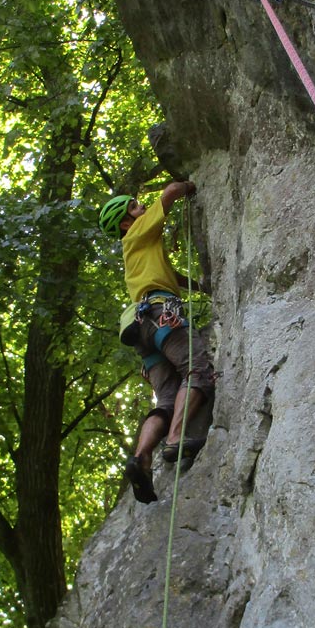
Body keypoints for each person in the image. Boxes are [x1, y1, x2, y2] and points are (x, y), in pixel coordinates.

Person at [98, 181, 215, 503]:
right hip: (162, 315)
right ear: (126, 223)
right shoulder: (137, 232)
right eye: (135, 207)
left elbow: (169, 275)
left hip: (142, 327)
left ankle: (141, 457)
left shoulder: (138, 251)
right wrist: (188, 184)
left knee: (165, 399)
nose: (141, 208)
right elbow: (167, 196)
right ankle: (176, 437)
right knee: (198, 370)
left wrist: (197, 286)